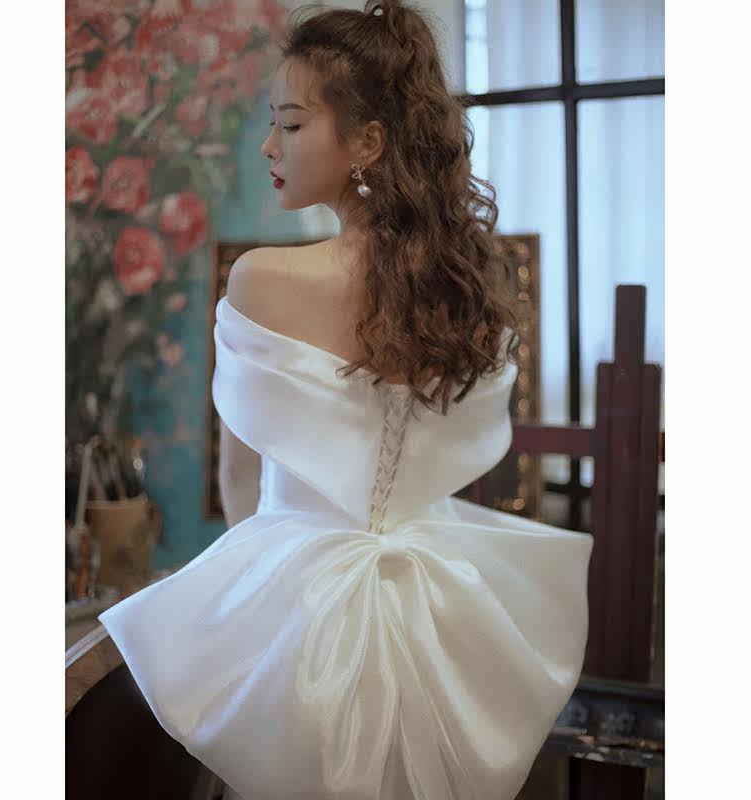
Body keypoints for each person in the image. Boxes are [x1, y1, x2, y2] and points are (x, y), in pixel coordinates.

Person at [99, 2, 594, 799]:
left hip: (300, 613)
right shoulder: (466, 291)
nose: (269, 145)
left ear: (368, 142)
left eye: (291, 124)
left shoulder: (263, 279)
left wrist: (254, 619)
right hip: (440, 605)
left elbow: (240, 481)